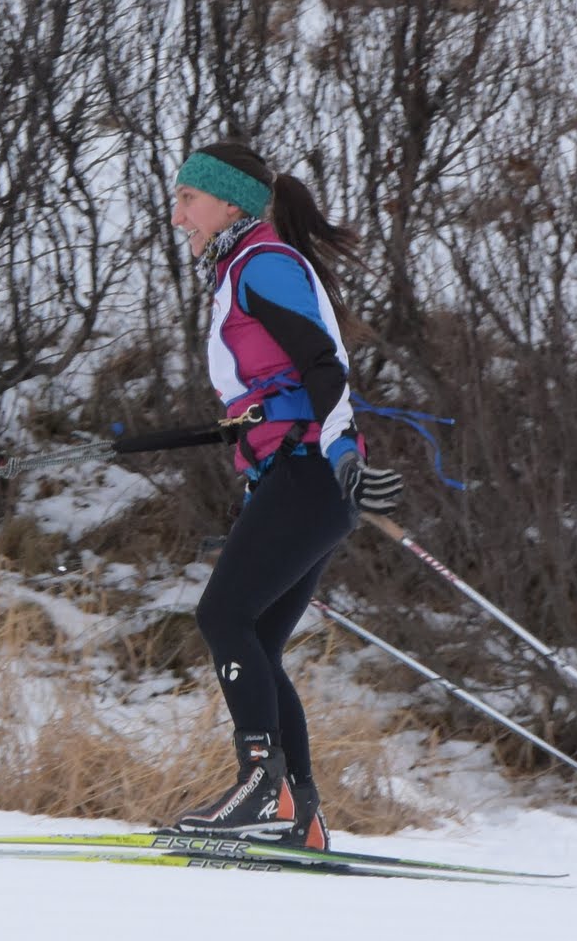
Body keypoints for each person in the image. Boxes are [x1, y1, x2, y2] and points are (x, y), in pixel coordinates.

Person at [157, 139, 398, 849]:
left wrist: (346, 453)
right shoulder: (244, 268)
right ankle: (300, 813)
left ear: (230, 201)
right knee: (257, 637)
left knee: (224, 617)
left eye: (188, 200)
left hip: (313, 474)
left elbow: (323, 367)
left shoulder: (263, 264)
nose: (178, 217)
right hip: (297, 477)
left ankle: (260, 785)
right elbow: (278, 385)